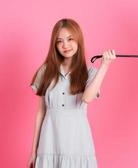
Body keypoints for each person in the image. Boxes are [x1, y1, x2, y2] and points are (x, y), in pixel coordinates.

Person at [27, 18, 116, 168]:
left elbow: (87, 98)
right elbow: (41, 112)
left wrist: (105, 66)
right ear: (54, 45)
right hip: (49, 143)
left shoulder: (89, 73)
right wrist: (33, 151)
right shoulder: (45, 71)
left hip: (77, 143)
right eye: (59, 41)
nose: (65, 45)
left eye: (70, 39)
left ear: (78, 40)